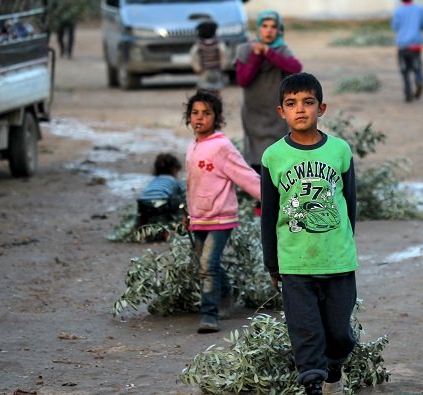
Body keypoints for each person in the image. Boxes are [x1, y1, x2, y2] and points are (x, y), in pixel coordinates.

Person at [261, 73, 358, 395]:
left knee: (339, 334)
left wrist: (346, 246)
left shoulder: (340, 151)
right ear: (281, 112)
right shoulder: (273, 157)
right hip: (296, 263)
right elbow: (270, 214)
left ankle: (334, 365)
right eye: (292, 104)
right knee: (305, 332)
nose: (300, 109)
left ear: (322, 108)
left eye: (308, 102)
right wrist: (272, 263)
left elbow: (351, 206)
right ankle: (312, 383)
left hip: (338, 261)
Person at [183, 90, 261, 333]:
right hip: (198, 217)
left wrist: (271, 199)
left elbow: (244, 174)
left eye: (206, 113)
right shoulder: (192, 147)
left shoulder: (221, 146)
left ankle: (209, 314)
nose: (200, 118)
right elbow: (191, 184)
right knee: (207, 263)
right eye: (195, 113)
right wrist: (188, 212)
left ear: (216, 118)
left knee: (207, 264)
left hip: (221, 217)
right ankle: (227, 294)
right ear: (188, 117)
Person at [234, 9, 302, 175]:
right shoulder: (245, 50)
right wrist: (257, 56)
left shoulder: (282, 50)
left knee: (278, 159)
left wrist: (268, 52)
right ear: (258, 28)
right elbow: (243, 79)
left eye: (273, 26)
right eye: (265, 26)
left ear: (279, 30)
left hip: (277, 115)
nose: (269, 30)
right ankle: (260, 199)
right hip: (253, 114)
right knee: (256, 159)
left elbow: (295, 68)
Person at [392, 0, 423, 102]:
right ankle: (419, 81)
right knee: (417, 68)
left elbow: (395, 27)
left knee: (404, 72)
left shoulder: (398, 11)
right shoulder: (419, 9)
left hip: (402, 46)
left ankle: (408, 94)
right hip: (415, 46)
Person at [136, 153, 186, 227]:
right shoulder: (175, 181)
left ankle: (140, 226)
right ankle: (173, 224)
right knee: (178, 201)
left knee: (144, 214)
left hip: (142, 203)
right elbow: (185, 196)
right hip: (162, 204)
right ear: (173, 169)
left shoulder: (154, 180)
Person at [189, 20, 228, 92]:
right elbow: (224, 53)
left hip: (204, 70)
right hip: (216, 69)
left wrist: (197, 68)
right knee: (216, 88)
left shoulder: (199, 44)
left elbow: (193, 55)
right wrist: (223, 66)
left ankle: (208, 101)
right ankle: (216, 101)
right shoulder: (218, 42)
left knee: (204, 89)